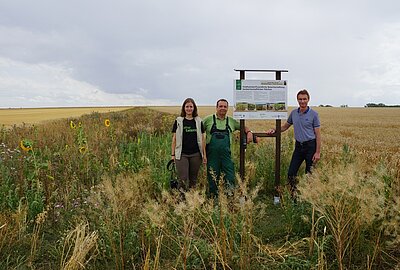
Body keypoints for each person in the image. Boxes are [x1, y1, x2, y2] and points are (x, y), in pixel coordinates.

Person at [266, 89, 321, 197]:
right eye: (300, 99)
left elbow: (318, 134)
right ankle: (293, 196)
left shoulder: (314, 114)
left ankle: (308, 198)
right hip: (299, 147)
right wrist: (274, 130)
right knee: (291, 173)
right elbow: (285, 127)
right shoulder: (294, 113)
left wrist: (317, 152)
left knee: (310, 174)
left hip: (311, 146)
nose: (302, 101)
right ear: (297, 100)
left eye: (304, 99)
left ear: (308, 99)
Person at [203, 98, 255, 196]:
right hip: (212, 156)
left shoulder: (231, 121)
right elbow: (198, 130)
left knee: (230, 177)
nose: (223, 108)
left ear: (227, 108)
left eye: (225, 106)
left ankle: (230, 198)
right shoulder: (208, 120)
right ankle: (213, 198)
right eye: (220, 106)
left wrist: (249, 132)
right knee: (213, 177)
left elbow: (244, 127)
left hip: (227, 155)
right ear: (216, 107)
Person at [171, 98, 206, 191]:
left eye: (191, 106)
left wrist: (204, 155)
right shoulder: (178, 121)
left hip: (196, 154)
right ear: (184, 108)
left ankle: (192, 200)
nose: (189, 108)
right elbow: (174, 139)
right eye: (187, 106)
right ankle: (181, 201)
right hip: (182, 154)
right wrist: (172, 155)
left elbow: (203, 139)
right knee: (183, 179)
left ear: (194, 108)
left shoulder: (199, 121)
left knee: (193, 180)